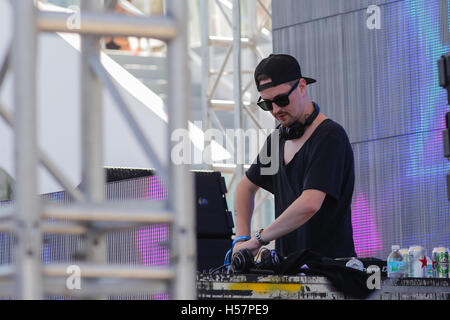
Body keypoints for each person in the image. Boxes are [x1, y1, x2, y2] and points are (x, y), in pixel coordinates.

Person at [232, 54, 356, 259]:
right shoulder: (277, 140)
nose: (275, 110)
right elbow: (245, 187)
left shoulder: (329, 136)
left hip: (331, 272)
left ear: (301, 86)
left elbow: (310, 203)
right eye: (267, 104)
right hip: (289, 270)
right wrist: (241, 239)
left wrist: (259, 240)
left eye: (281, 100)